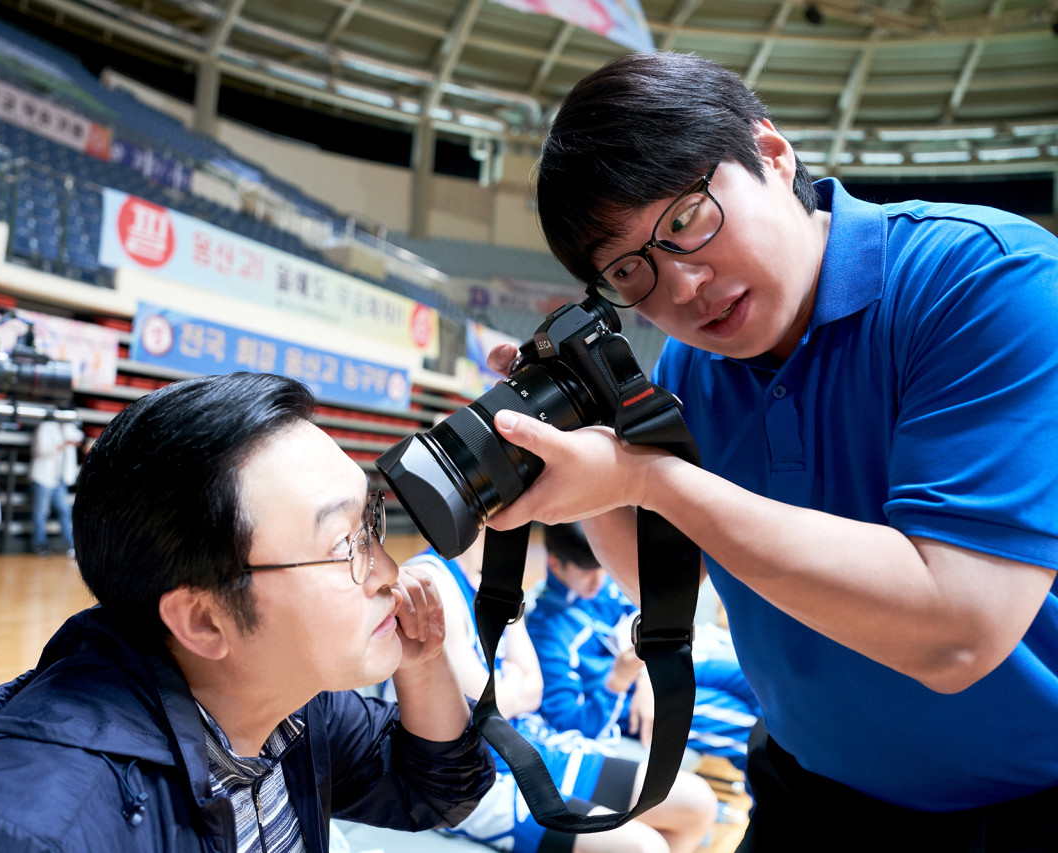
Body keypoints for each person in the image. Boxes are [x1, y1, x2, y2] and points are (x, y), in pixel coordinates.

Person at [482, 51, 1058, 849]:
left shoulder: (982, 282)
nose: (680, 286)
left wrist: (652, 478)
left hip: (1022, 810)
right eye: (629, 269)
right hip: (806, 795)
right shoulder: (691, 365)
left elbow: (959, 630)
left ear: (773, 153)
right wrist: (591, 462)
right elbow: (665, 577)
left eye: (684, 221)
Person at [0, 373, 495, 852]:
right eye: (344, 545)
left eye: (370, 524)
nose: (389, 571)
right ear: (204, 621)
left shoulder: (288, 702)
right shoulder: (31, 828)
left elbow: (435, 791)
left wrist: (418, 663)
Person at [405, 531, 717, 853]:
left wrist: (512, 690)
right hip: (473, 775)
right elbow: (481, 709)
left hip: (531, 743)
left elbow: (532, 691)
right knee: (644, 847)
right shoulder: (432, 579)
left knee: (698, 804)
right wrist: (516, 684)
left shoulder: (498, 573)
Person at [528, 522, 759, 772]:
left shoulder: (601, 585)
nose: (598, 579)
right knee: (747, 729)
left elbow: (647, 612)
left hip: (654, 668)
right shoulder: (547, 635)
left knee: (757, 682)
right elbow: (568, 723)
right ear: (554, 564)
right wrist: (618, 680)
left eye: (602, 567)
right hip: (624, 701)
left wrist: (645, 678)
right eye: (586, 571)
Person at [28, 411, 81, 558]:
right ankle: (40, 545)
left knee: (65, 510)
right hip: (43, 476)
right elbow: (41, 450)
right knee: (41, 512)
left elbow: (79, 437)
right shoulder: (45, 427)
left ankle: (71, 545)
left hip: (58, 478)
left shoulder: (67, 427)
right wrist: (63, 444)